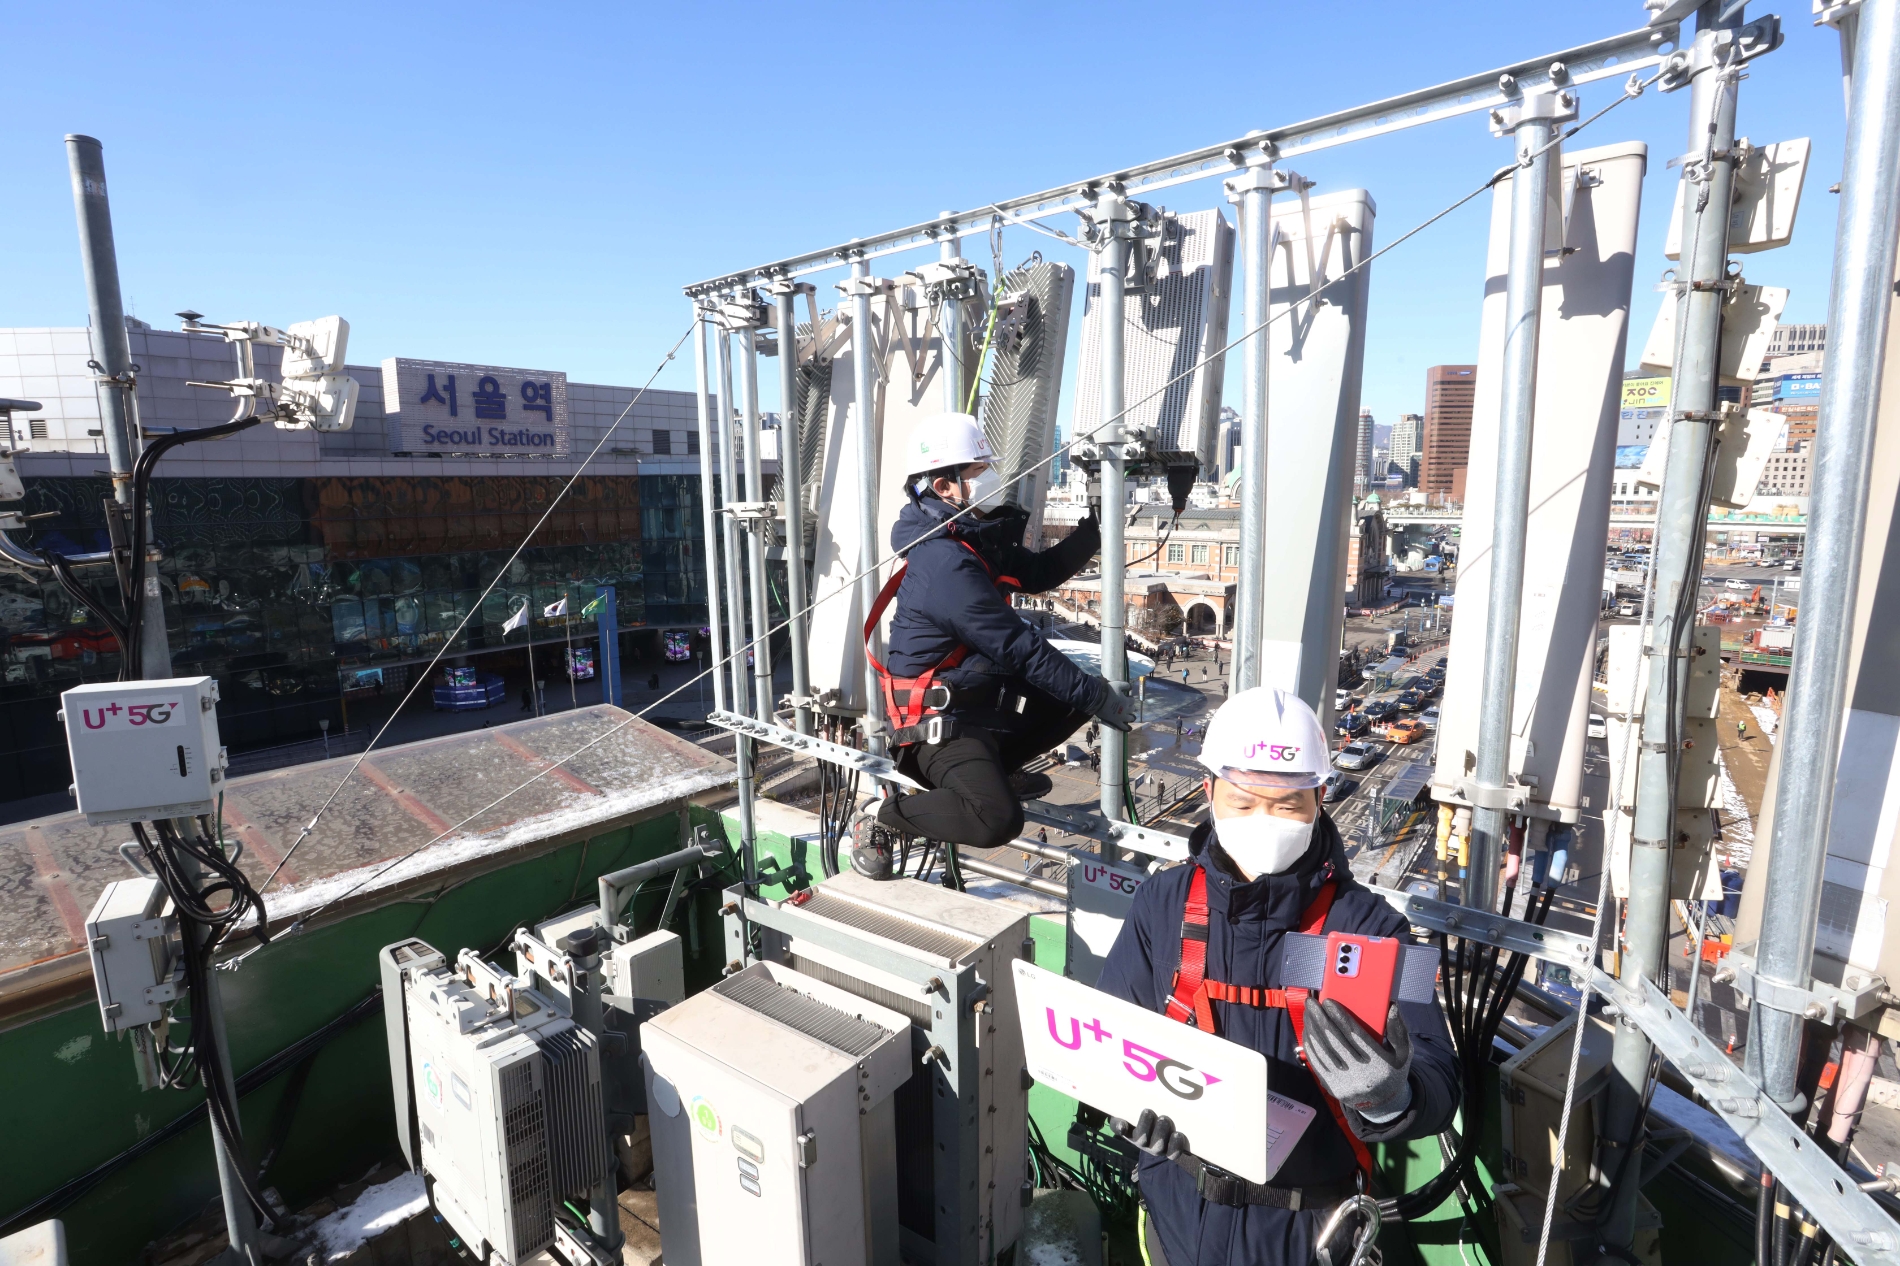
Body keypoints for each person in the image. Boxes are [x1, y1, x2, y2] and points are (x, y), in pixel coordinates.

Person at [1097, 687, 1461, 1266]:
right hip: (1176, 1218)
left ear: (1319, 799)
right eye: (1243, 802)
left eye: (1287, 804)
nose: (1264, 820)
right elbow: (1109, 1036)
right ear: (1210, 791)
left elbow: (1441, 1074)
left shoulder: (1373, 929)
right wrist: (1124, 1107)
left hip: (1307, 1234)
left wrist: (1392, 1098)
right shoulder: (1160, 904)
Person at [849, 413, 1138, 879]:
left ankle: (996, 770)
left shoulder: (969, 539)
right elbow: (1017, 647)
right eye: (979, 472)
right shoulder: (945, 561)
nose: (990, 480)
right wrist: (1100, 697)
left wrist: (1094, 529)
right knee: (996, 819)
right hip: (932, 730)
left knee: (1075, 697)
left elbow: (1038, 573)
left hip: (971, 708)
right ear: (945, 486)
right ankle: (881, 815)